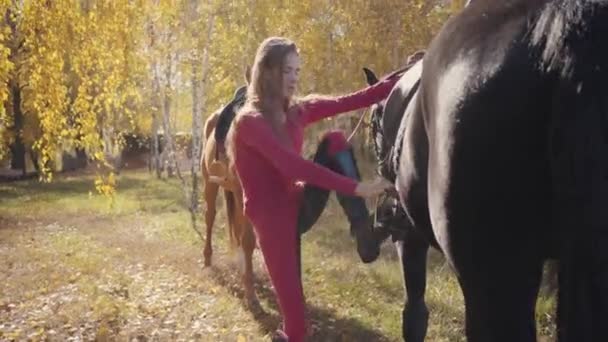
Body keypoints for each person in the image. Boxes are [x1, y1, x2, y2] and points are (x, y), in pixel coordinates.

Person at [226, 37, 403, 341]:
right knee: (297, 326)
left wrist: (411, 73)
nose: (295, 78)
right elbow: (293, 167)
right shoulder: (249, 122)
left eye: (297, 71)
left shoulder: (297, 110)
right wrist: (359, 188)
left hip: (297, 204)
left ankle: (365, 235)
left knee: (335, 140)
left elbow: (356, 99)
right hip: (272, 224)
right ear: (268, 72)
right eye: (288, 71)